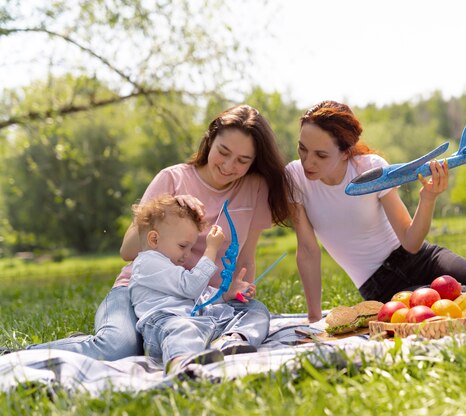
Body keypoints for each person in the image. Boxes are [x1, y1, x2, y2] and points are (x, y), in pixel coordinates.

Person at [27, 104, 292, 360]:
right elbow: (127, 250)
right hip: (140, 292)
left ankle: (228, 344)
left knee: (256, 312)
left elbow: (246, 256)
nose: (229, 165)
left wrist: (239, 290)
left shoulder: (254, 187)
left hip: (199, 301)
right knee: (118, 347)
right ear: (209, 140)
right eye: (223, 151)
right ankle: (21, 355)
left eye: (242, 160)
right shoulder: (172, 179)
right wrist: (170, 208)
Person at [286, 100, 466, 323]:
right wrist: (314, 318)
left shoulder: (369, 168)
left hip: (423, 258)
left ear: (345, 152)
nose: (308, 162)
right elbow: (307, 250)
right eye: (302, 149)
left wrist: (428, 198)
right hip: (382, 286)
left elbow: (411, 242)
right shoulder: (295, 178)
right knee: (461, 308)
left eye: (321, 155)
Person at [129, 195, 264, 374]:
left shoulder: (171, 266)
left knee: (254, 309)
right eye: (183, 246)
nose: (187, 254)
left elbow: (199, 296)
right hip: (163, 325)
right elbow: (191, 287)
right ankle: (182, 365)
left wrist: (226, 295)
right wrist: (211, 249)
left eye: (190, 248)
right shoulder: (147, 263)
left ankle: (232, 340)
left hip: (196, 320)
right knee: (184, 329)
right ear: (154, 239)